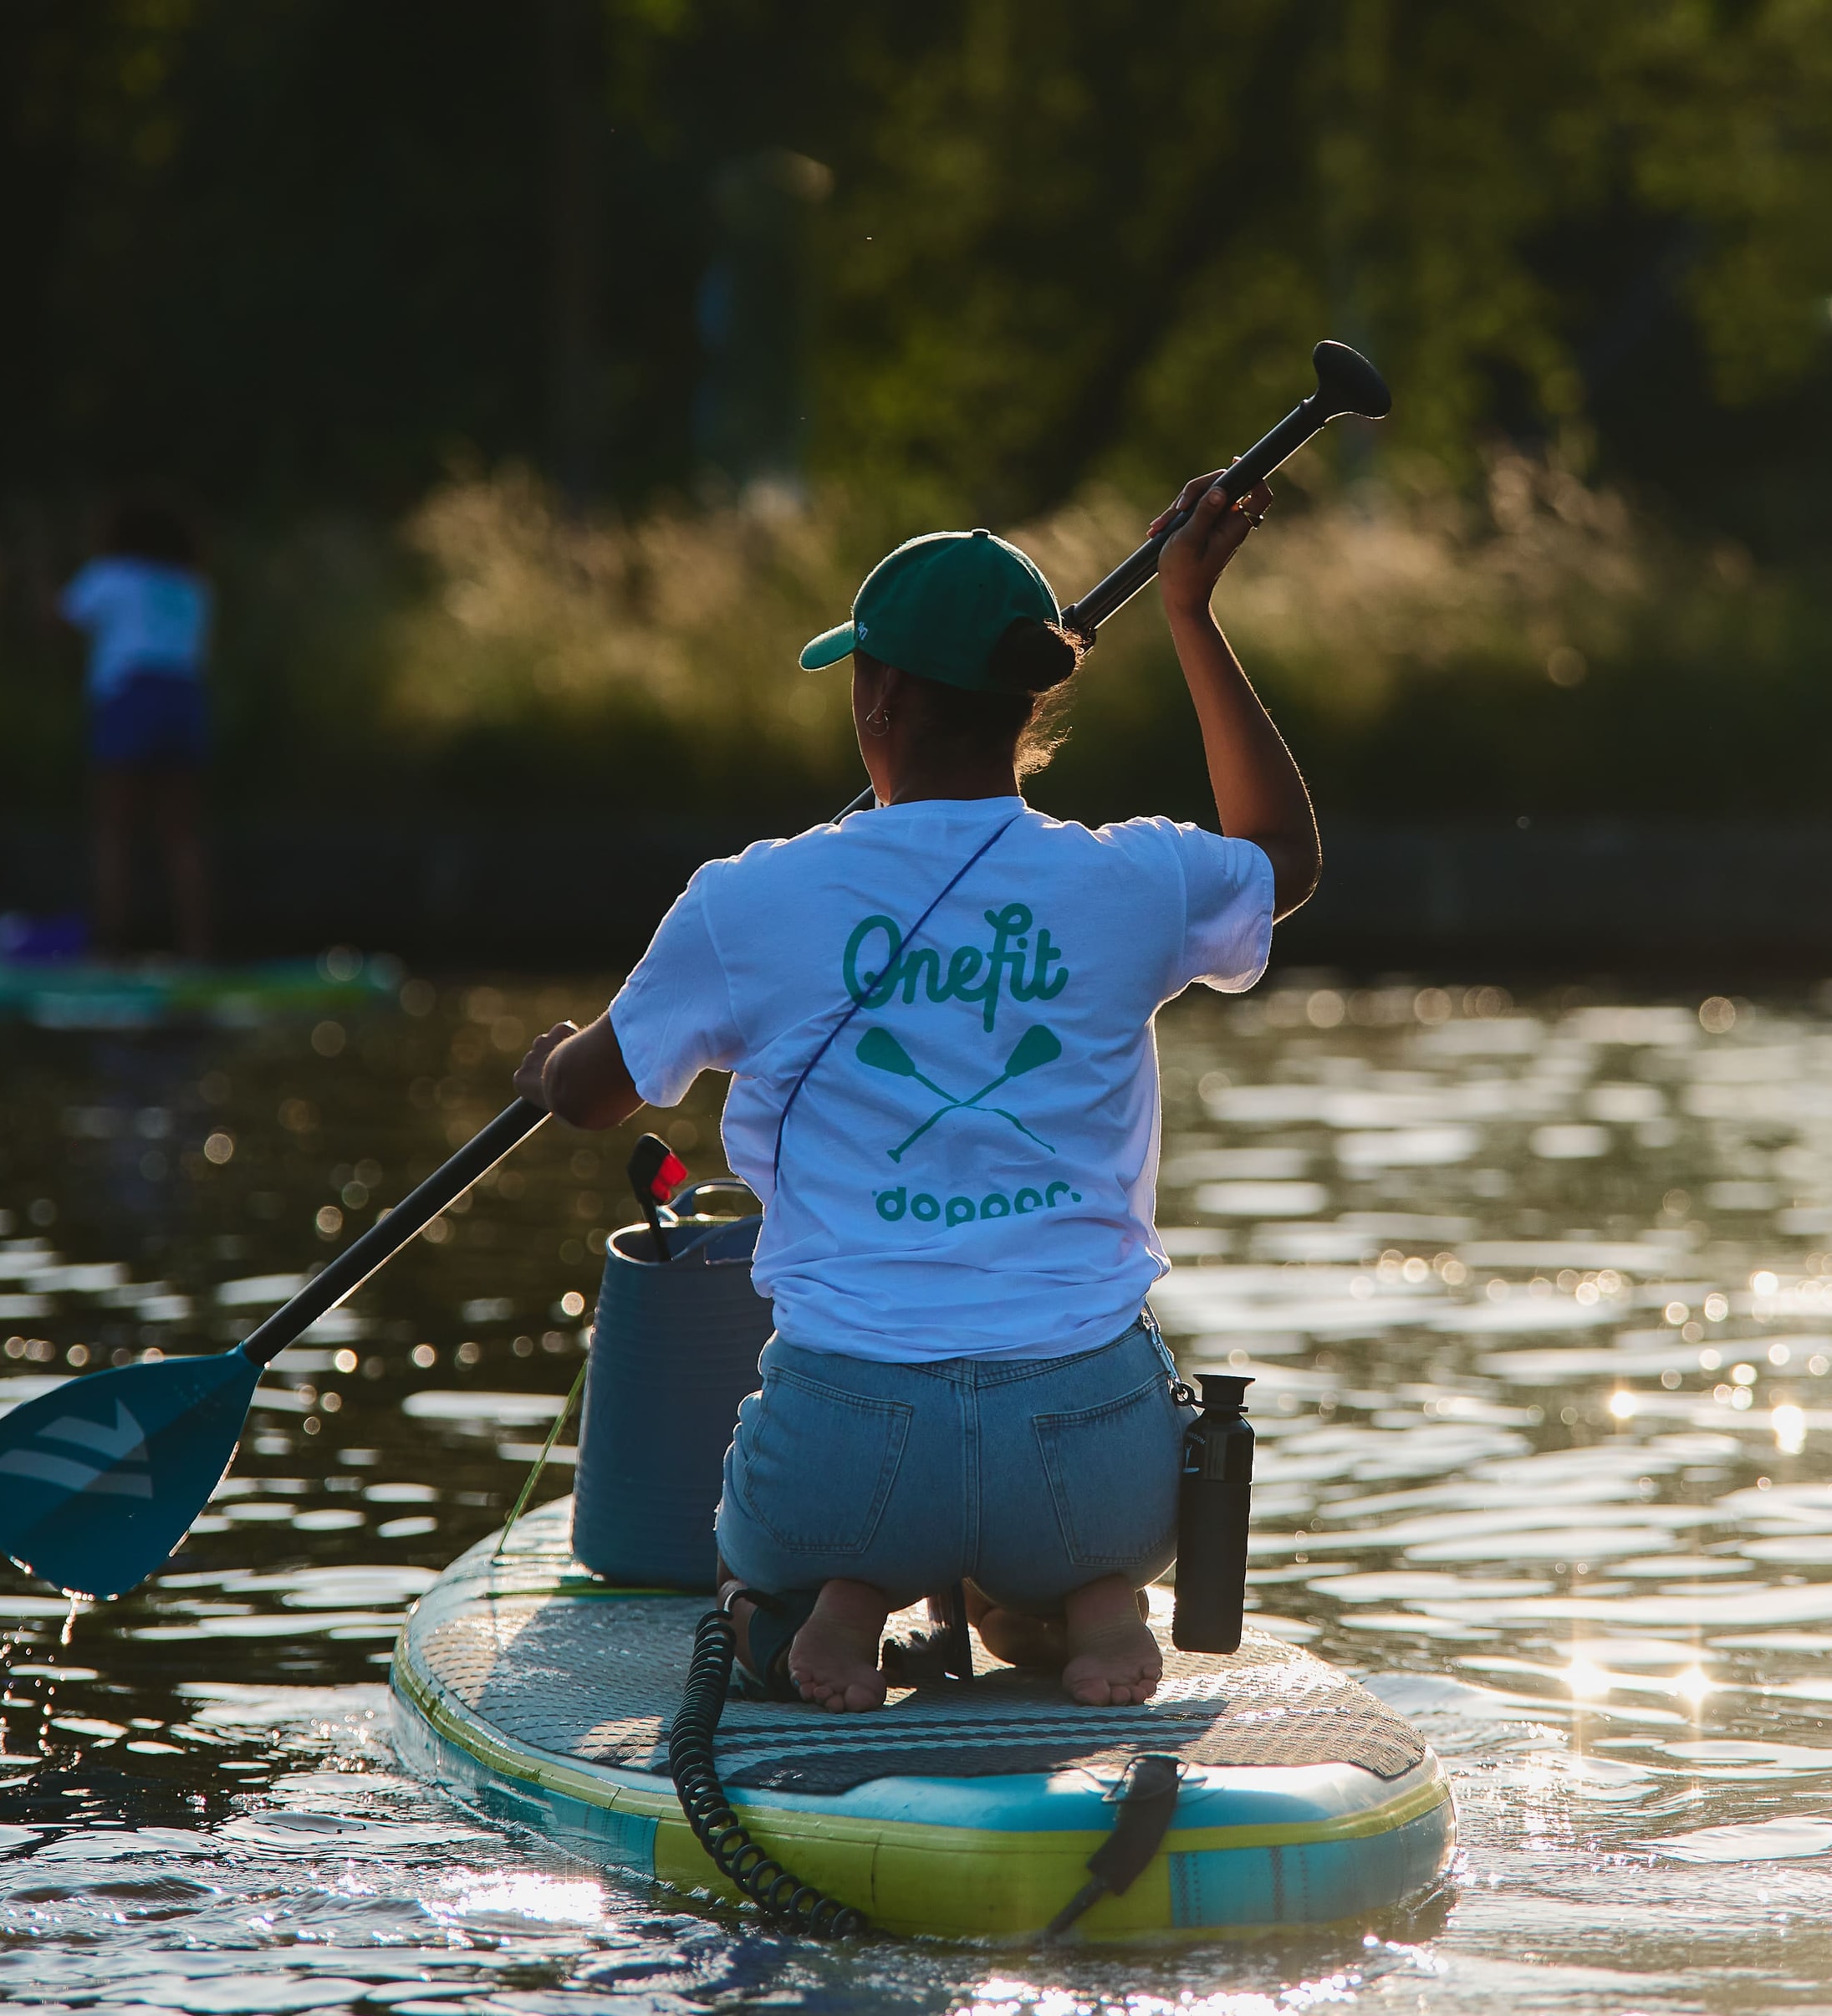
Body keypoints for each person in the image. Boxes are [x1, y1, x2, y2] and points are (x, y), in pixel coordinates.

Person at [515, 468, 1316, 1713]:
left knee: (758, 1558)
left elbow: (591, 1096)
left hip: (845, 1443)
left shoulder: (749, 897)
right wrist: (1192, 617)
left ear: (880, 695)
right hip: (1095, 1452)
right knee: (1056, 1555)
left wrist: (552, 1057)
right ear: (1023, 709)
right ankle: (1102, 1604)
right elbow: (1286, 859)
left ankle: (828, 1611)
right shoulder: (1128, 884)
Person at [59, 501, 214, 961]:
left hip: (131, 696)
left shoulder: (109, 575)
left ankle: (111, 945)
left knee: (114, 831)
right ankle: (197, 951)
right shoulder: (191, 586)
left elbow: (59, 619)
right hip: (185, 700)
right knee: (182, 834)